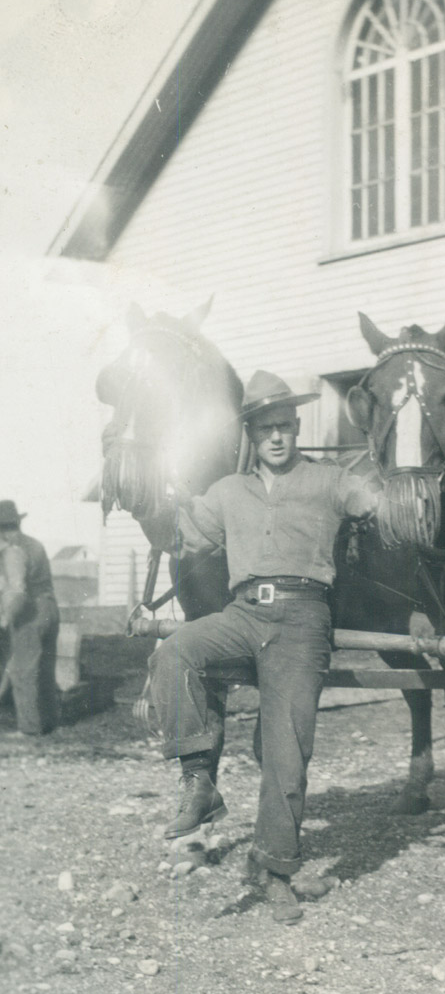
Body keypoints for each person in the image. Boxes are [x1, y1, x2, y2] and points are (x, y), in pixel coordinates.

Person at [147, 370, 383, 924]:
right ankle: (199, 784)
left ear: (297, 428)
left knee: (286, 752)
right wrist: (152, 492)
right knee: (174, 652)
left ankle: (276, 871)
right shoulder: (228, 492)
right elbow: (179, 536)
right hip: (242, 613)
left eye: (285, 426)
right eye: (266, 428)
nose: (277, 437)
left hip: (303, 622)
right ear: (252, 435)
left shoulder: (331, 481)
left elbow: (384, 506)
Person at [0, 501, 60, 735]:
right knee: (45, 670)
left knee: (22, 671)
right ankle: (49, 723)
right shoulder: (35, 544)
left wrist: (6, 618)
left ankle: (30, 729)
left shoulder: (12, 551)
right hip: (50, 609)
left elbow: (17, 591)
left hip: (30, 613)